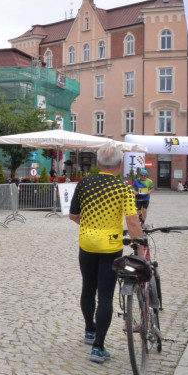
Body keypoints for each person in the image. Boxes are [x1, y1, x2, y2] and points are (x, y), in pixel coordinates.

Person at [68, 143, 144, 363]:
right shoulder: (123, 188)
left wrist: (90, 225)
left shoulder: (84, 183)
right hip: (111, 246)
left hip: (87, 243)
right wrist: (139, 245)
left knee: (88, 288)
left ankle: (89, 330)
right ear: (120, 165)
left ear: (98, 163)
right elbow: (132, 221)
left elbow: (73, 215)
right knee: (106, 295)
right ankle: (98, 347)